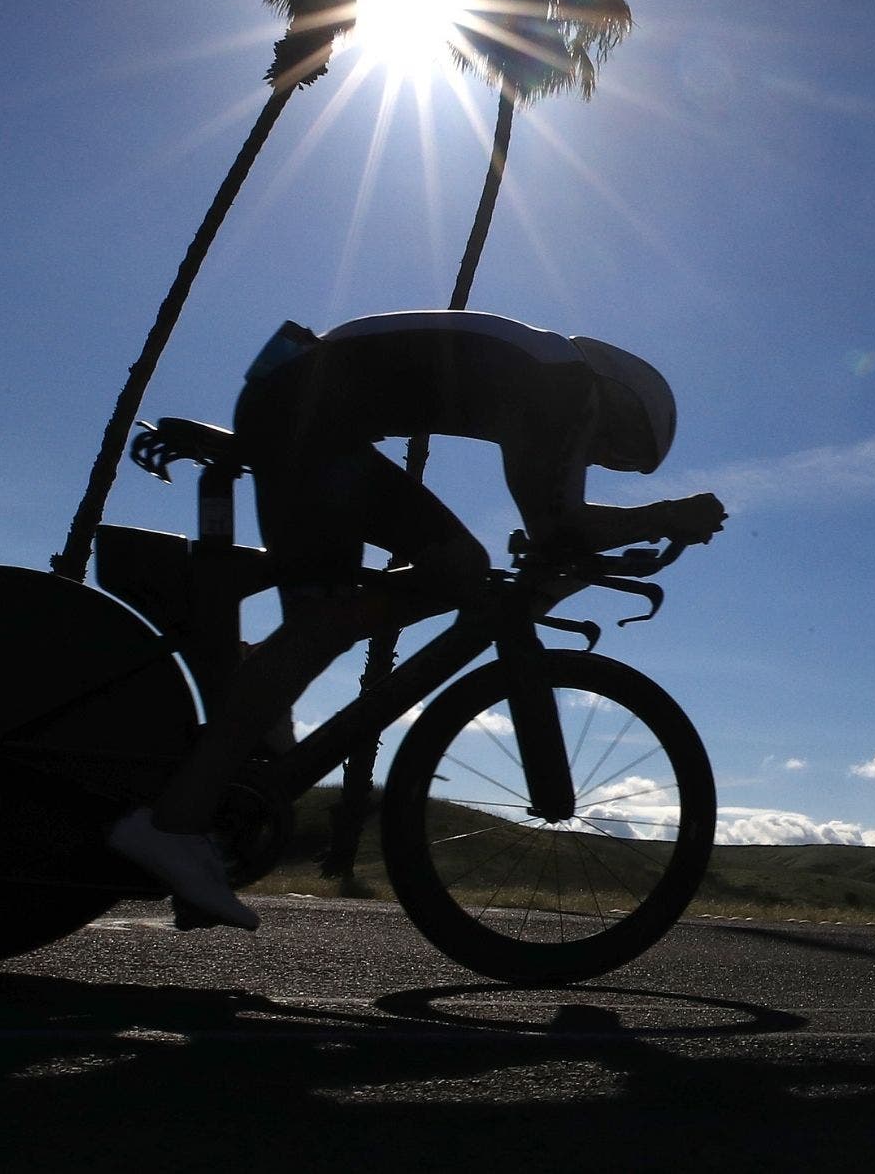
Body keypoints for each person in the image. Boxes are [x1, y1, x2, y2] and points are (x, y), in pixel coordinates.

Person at [109, 310, 726, 928]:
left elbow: (555, 522)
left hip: (304, 409)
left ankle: (241, 747)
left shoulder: (541, 374)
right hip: (306, 417)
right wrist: (668, 515)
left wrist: (591, 545)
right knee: (442, 571)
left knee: (376, 602)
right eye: (614, 448)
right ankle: (177, 823)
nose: (596, 457)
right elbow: (559, 523)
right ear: (622, 399)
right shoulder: (565, 385)